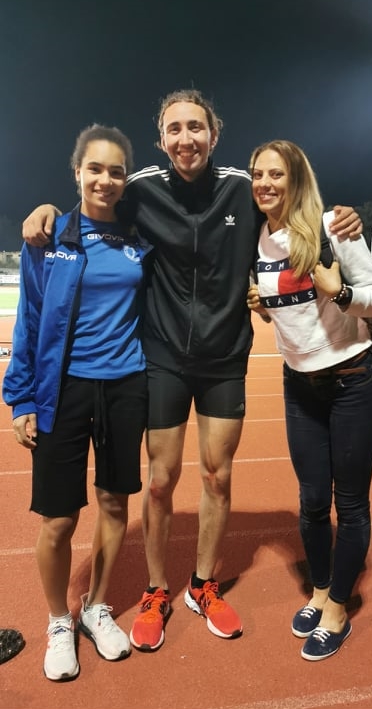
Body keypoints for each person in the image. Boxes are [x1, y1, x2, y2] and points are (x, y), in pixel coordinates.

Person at [21, 89, 363, 653]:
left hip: (224, 359)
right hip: (161, 359)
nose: (186, 139)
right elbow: (93, 201)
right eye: (175, 129)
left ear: (214, 133)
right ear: (161, 139)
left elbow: (291, 203)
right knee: (159, 482)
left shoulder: (240, 188)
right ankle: (157, 589)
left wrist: (339, 216)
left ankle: (203, 585)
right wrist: (48, 212)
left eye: (196, 127)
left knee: (216, 477)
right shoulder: (141, 189)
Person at [3, 124, 151, 680]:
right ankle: (58, 621)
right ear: (77, 173)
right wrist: (21, 399)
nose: (105, 180)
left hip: (125, 386)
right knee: (58, 520)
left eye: (116, 171)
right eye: (95, 169)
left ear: (125, 178)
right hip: (62, 391)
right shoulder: (49, 238)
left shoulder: (140, 237)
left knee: (115, 505)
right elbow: (29, 321)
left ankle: (96, 607)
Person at [247, 139, 372, 661]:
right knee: (311, 501)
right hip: (300, 387)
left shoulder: (332, 226)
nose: (264, 184)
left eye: (276, 174)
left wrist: (342, 293)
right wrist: (265, 307)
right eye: (257, 174)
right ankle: (320, 588)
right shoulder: (256, 239)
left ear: (296, 180)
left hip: (354, 382)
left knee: (349, 504)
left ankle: (337, 609)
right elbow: (292, 311)